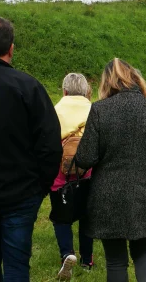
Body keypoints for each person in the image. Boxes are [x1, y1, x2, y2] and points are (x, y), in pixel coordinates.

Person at [0, 17, 63, 281]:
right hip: (21, 195)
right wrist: (41, 186)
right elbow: (50, 144)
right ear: (11, 48)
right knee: (17, 264)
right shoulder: (28, 87)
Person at [75, 58, 146, 282]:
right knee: (145, 252)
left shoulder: (99, 110)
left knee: (115, 260)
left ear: (107, 82)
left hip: (108, 196)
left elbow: (85, 158)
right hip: (143, 194)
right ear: (135, 79)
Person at [50, 73, 95, 280]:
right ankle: (87, 259)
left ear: (64, 91)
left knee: (61, 217)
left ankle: (67, 254)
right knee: (87, 216)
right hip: (88, 171)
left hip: (61, 173)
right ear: (86, 91)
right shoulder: (94, 110)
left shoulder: (54, 111)